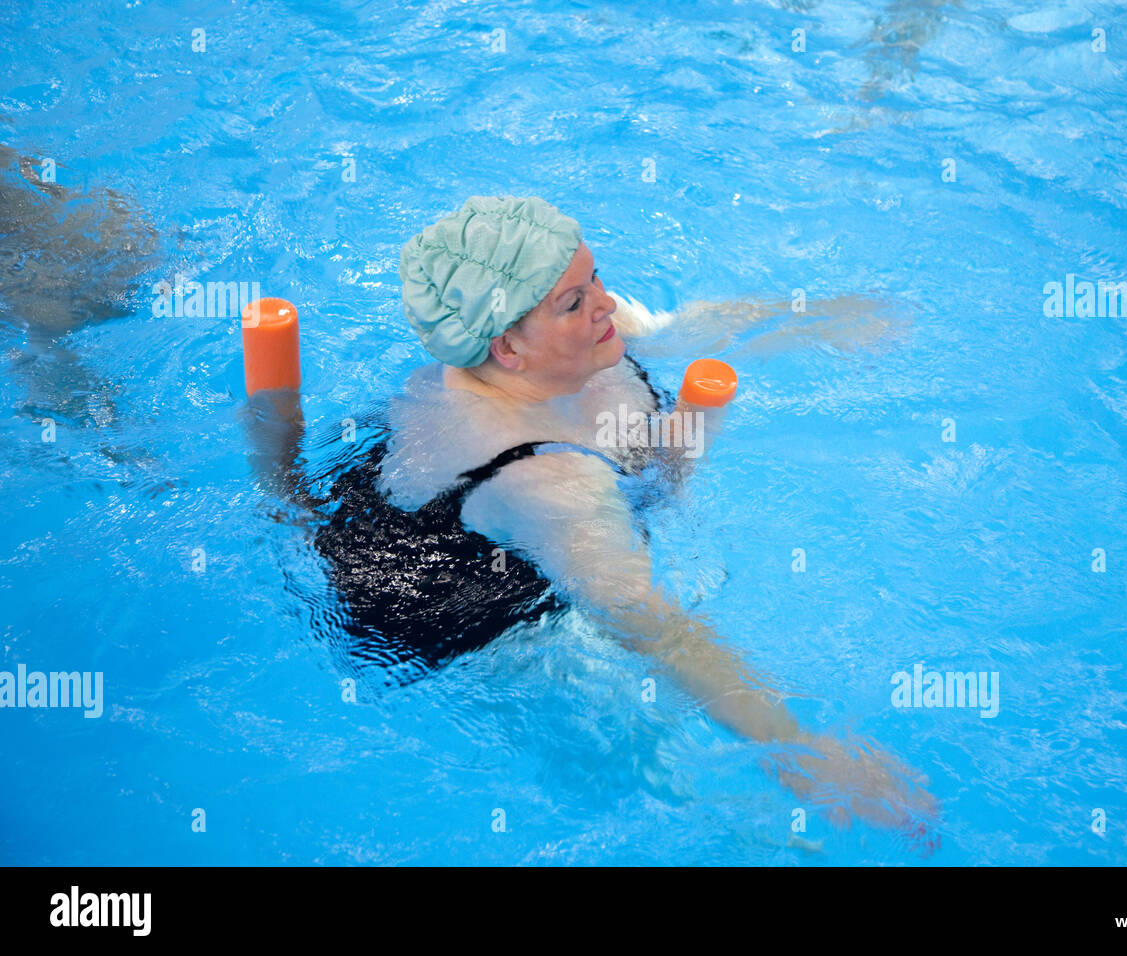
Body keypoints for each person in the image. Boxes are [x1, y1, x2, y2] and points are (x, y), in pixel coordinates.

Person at [312, 195, 938, 842]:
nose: (604, 305)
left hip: (492, 497)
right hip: (463, 611)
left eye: (596, 280)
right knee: (676, 787)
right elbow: (646, 621)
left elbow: (686, 327)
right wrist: (801, 750)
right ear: (506, 349)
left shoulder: (569, 344)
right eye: (574, 303)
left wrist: (826, 321)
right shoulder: (545, 482)